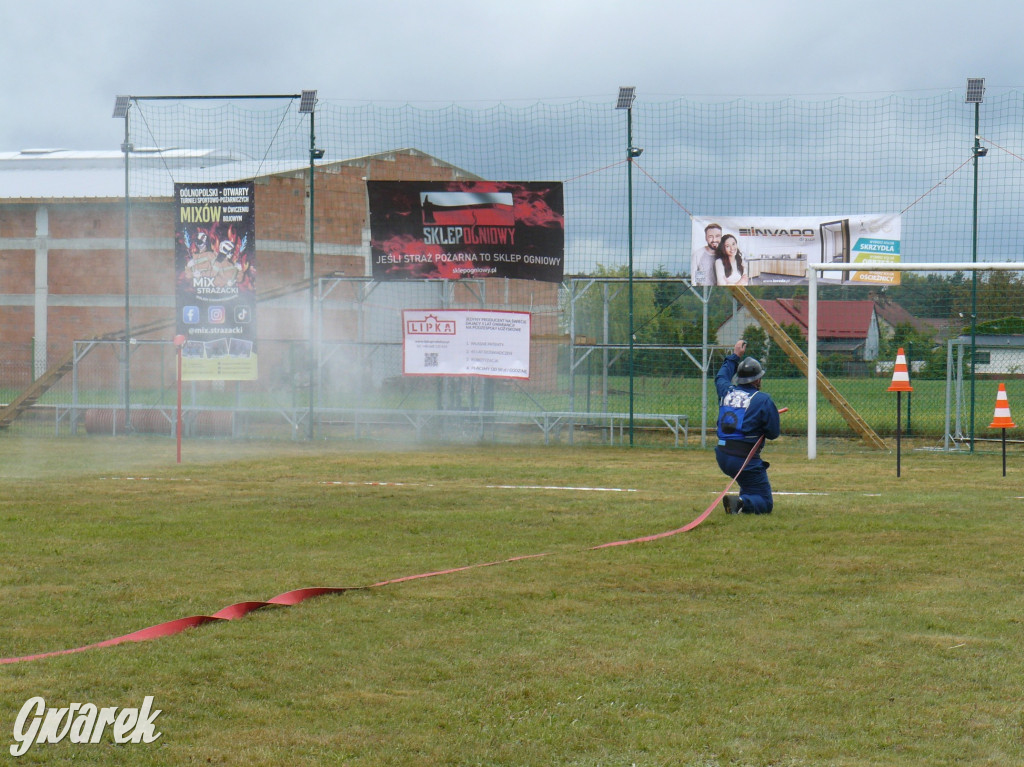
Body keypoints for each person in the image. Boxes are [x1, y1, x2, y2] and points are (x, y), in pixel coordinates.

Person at [715, 339, 780, 515]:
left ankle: (743, 501)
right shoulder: (762, 399)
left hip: (722, 455)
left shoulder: (726, 391)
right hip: (744, 459)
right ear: (757, 380)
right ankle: (742, 502)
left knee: (750, 484)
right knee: (765, 503)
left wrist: (735, 356)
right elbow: (773, 433)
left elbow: (721, 376)